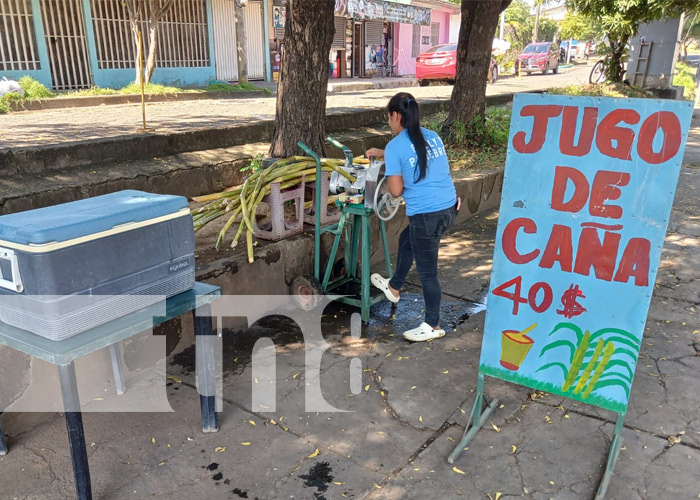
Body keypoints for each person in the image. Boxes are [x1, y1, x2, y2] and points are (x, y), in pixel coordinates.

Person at [366, 92, 459, 342]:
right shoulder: (432, 136)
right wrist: (384, 153)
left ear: (396, 116)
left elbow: (396, 191)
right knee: (408, 238)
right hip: (450, 208)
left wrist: (390, 161)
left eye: (389, 118)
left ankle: (432, 324)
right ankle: (394, 287)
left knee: (428, 273)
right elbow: (417, 156)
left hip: (427, 216)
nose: (389, 122)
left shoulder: (395, 145)